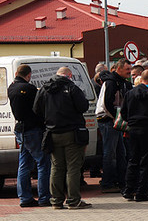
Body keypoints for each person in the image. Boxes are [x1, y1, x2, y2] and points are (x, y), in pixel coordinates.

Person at [33, 67, 91, 210]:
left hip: (52, 133)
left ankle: (56, 200)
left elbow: (36, 109)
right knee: (73, 167)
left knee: (56, 167)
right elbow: (83, 106)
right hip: (72, 132)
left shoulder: (44, 89)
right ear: (69, 75)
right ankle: (73, 200)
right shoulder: (72, 88)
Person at [120, 70, 148, 201]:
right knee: (146, 161)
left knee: (133, 159)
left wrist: (131, 122)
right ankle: (142, 192)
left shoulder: (130, 93)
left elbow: (123, 113)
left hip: (133, 129)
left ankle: (129, 189)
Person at [8, 64, 50, 207]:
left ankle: (25, 198)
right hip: (32, 129)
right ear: (28, 75)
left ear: (16, 73)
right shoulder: (30, 89)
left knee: (24, 164)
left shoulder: (11, 88)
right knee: (43, 162)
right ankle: (44, 198)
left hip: (20, 128)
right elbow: (38, 107)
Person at [95, 58, 133, 192]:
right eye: (127, 69)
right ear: (119, 69)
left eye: (130, 69)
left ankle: (120, 181)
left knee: (120, 152)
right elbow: (107, 103)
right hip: (108, 120)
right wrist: (115, 118)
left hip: (114, 120)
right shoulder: (111, 83)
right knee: (110, 153)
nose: (130, 72)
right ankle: (107, 183)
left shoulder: (121, 82)